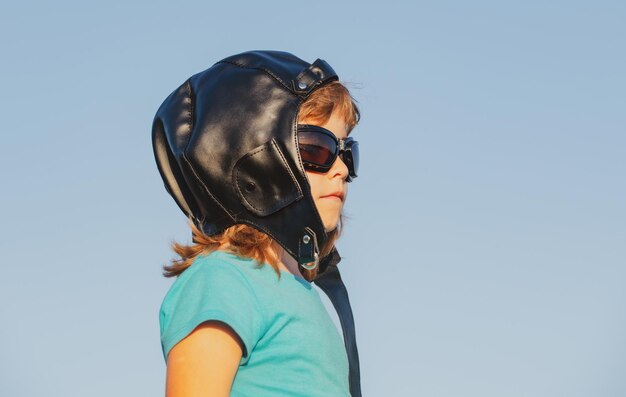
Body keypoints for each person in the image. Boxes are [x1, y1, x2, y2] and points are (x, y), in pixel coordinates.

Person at [152, 50, 361, 397]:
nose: (340, 168)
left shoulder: (301, 291)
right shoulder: (223, 278)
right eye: (317, 149)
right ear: (254, 157)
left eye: (346, 152)